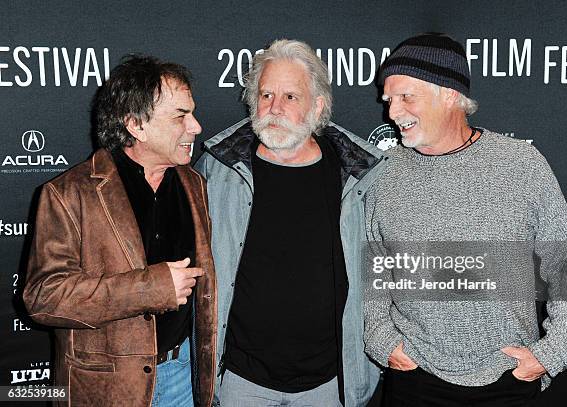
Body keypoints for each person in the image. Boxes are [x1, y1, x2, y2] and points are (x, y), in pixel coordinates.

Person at [363, 33, 567, 406]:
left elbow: (566, 265)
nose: (393, 113)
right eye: (389, 100)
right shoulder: (384, 174)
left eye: (406, 97)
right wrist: (383, 340)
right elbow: (372, 268)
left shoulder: (521, 165)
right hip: (414, 377)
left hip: (507, 379)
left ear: (449, 94)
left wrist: (551, 354)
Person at [194, 39, 385, 407]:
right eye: (265, 95)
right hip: (240, 380)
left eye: (290, 97)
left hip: (330, 383)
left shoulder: (360, 175)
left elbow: (388, 271)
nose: (274, 108)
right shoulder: (218, 169)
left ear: (317, 107)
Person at [23, 55, 216, 407]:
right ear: (135, 125)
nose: (196, 127)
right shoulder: (69, 193)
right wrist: (151, 288)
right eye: (180, 116)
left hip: (183, 375)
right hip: (108, 388)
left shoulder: (194, 184)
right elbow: (43, 297)